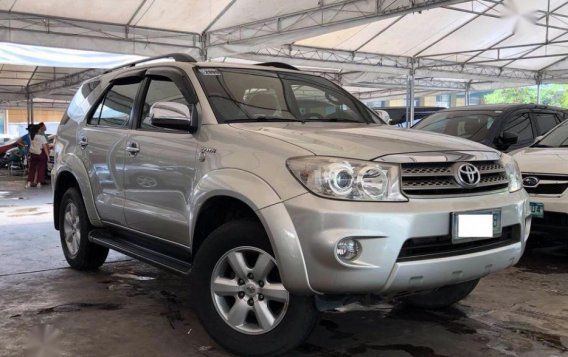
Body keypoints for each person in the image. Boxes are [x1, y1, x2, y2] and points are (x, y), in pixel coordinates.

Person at [26, 123, 49, 188]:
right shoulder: (42, 137)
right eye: (39, 129)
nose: (40, 130)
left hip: (33, 153)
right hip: (41, 153)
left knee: (32, 169)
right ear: (38, 130)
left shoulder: (31, 136)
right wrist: (47, 155)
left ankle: (29, 183)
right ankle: (39, 183)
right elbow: (44, 147)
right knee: (41, 169)